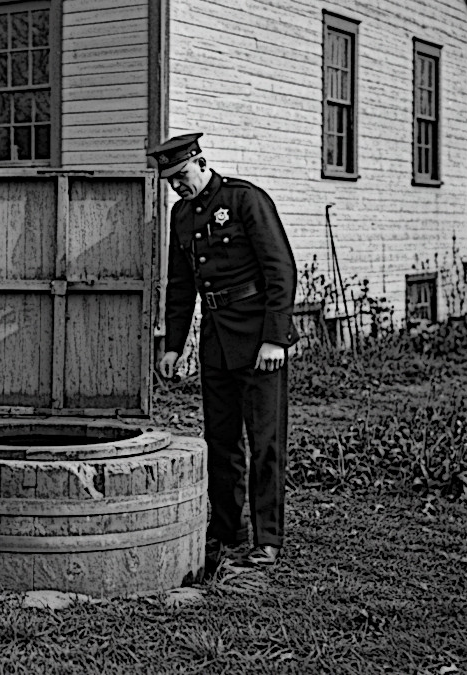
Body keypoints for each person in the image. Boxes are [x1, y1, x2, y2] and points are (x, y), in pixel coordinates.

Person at [148, 133, 297, 567]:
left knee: (266, 443)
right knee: (221, 440)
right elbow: (180, 287)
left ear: (200, 162)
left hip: (257, 341)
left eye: (182, 176)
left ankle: (268, 537)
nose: (178, 186)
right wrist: (173, 346)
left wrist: (275, 337)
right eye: (171, 182)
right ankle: (228, 529)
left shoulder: (245, 199)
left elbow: (280, 269)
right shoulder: (181, 216)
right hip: (216, 340)